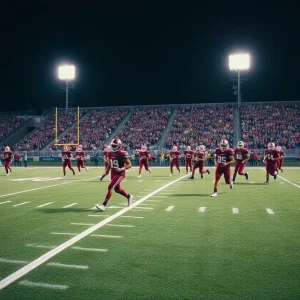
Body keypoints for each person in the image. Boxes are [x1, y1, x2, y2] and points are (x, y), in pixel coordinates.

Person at [96, 138, 133, 211]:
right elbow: (110, 164)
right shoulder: (110, 153)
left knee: (110, 186)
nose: (113, 147)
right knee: (117, 190)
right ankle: (129, 196)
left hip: (120, 173)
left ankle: (104, 205)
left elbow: (129, 164)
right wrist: (106, 172)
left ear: (119, 146)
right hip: (113, 173)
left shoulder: (121, 154)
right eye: (112, 145)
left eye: (114, 145)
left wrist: (121, 169)